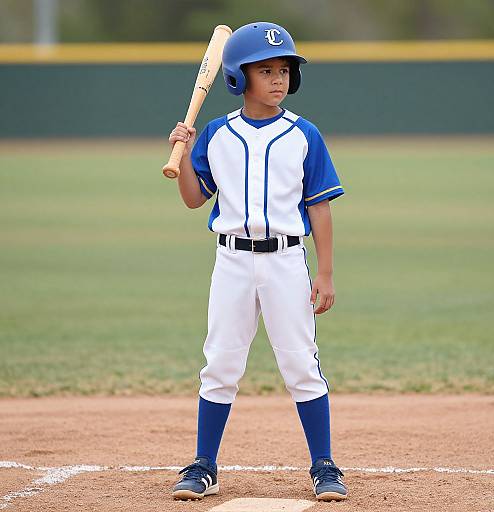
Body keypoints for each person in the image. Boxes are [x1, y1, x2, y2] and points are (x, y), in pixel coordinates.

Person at [168, 21, 347, 502]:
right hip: (231, 263)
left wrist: (325, 273)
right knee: (220, 363)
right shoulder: (216, 133)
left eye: (284, 69)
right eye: (265, 70)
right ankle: (205, 464)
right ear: (237, 78)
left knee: (300, 364)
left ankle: (324, 466)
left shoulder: (303, 134)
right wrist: (182, 153)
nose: (277, 79)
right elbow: (191, 198)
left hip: (287, 261)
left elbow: (320, 206)